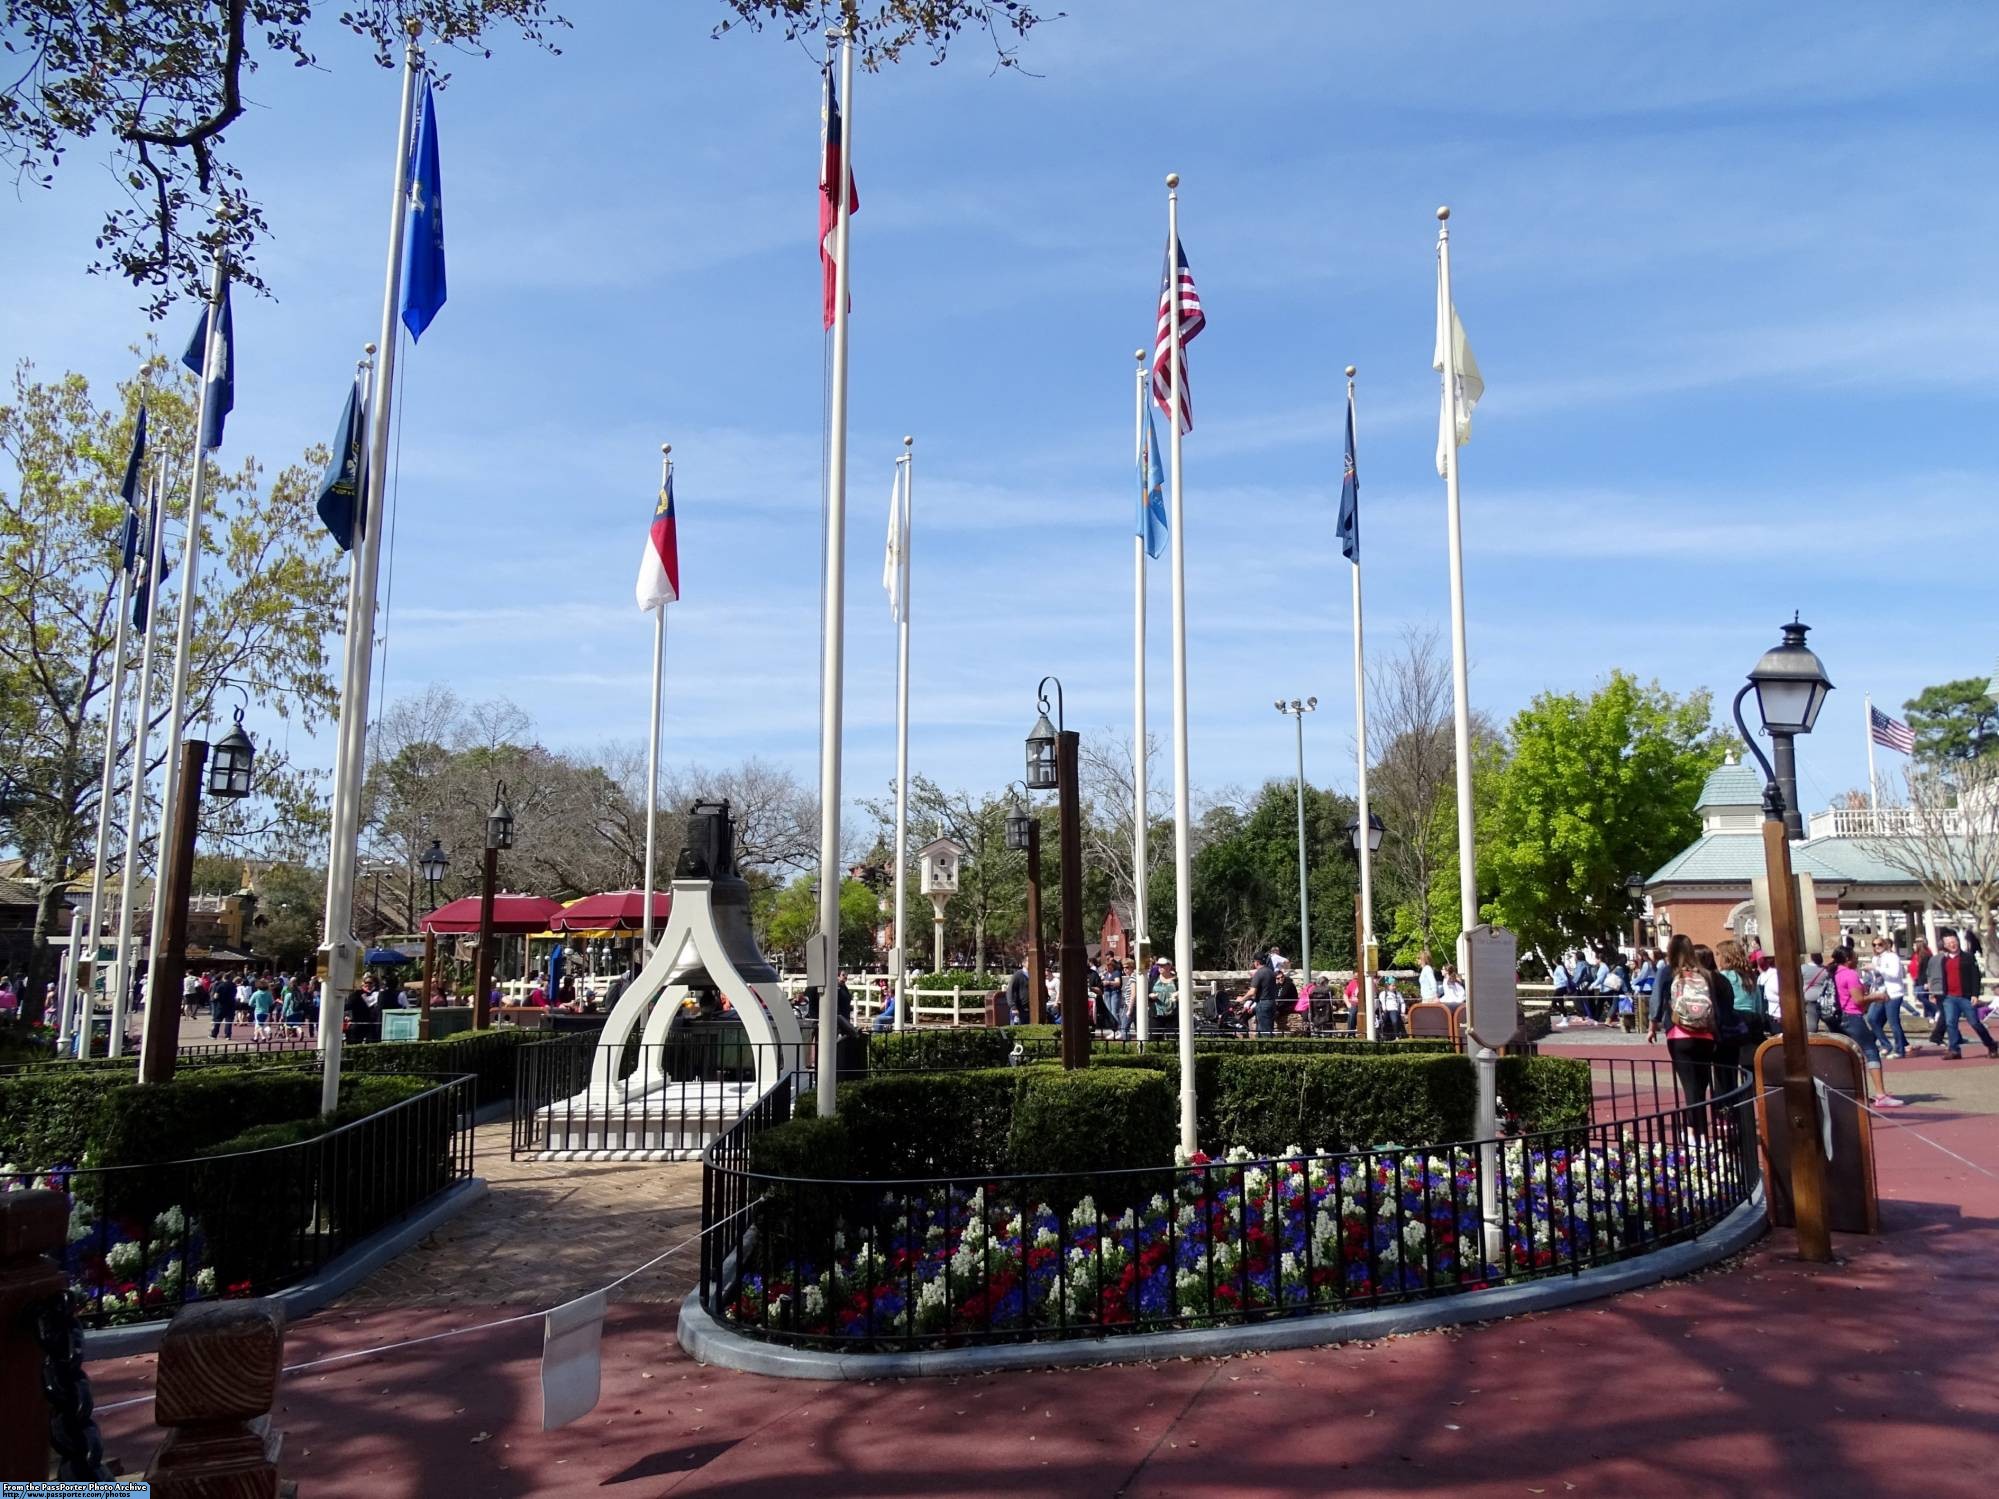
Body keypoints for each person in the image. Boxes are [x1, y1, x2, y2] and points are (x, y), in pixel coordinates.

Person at [1646, 935, 1724, 1120]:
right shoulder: (1705, 973)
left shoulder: (1667, 971)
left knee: (1689, 1085)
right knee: (1701, 1083)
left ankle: (1693, 1130)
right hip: (1705, 1034)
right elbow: (1715, 1005)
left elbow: (1656, 1000)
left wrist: (1652, 1025)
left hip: (1678, 1031)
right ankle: (1702, 1129)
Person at [1828, 945, 1903, 1106]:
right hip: (1852, 1016)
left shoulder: (1834, 973)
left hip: (1837, 1017)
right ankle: (1881, 1094)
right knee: (1870, 1051)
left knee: (1847, 1055)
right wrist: (1876, 996)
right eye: (1854, 956)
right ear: (1848, 959)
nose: (1857, 959)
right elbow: (1858, 1000)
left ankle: (1851, 1092)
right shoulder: (1850, 974)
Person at [1927, 932, 1996, 1060]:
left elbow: (1976, 977)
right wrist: (1934, 992)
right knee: (1950, 1023)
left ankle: (1991, 1045)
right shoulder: (1943, 960)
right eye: (1948, 943)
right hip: (1949, 997)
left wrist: (1975, 994)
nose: (1952, 945)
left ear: (1958, 942)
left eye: (1954, 942)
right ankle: (1954, 1050)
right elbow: (1937, 976)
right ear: (1945, 945)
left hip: (1965, 996)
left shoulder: (1968, 957)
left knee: (1974, 1023)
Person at [1867, 937, 1909, 1060]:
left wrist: (1876, 968)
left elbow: (1895, 974)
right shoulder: (1875, 958)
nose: (1877, 947)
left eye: (1879, 944)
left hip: (1893, 994)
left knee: (1893, 1023)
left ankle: (1900, 1050)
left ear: (1885, 945)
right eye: (1874, 945)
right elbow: (1876, 978)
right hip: (1879, 993)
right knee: (1872, 1019)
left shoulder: (1892, 957)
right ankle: (1886, 1044)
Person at [1908, 936, 1935, 1020]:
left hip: (1923, 980)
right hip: (1917, 979)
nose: (1913, 947)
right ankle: (1928, 1015)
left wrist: (1928, 981)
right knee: (1921, 996)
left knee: (1921, 996)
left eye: (1914, 945)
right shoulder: (1916, 955)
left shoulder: (1926, 956)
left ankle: (1934, 1010)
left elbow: (1928, 969)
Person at [208, 971, 238, 1040]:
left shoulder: (220, 985)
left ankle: (214, 1035)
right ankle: (228, 1035)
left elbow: (216, 996)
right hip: (231, 1004)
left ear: (224, 978)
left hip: (221, 1005)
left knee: (218, 1020)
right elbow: (235, 994)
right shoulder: (233, 985)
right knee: (229, 1021)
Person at [1376, 974, 1406, 1039]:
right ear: (1388, 986)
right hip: (1386, 1011)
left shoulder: (1398, 994)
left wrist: (1403, 1011)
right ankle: (1383, 1034)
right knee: (1383, 1021)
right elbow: (1383, 1002)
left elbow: (1402, 1002)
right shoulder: (1383, 993)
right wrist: (1384, 1008)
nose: (1394, 987)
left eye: (1395, 985)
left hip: (1394, 1010)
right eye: (1393, 985)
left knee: (1394, 1020)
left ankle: (1396, 1036)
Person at [1008, 959, 1032, 1025]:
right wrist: (1013, 1007)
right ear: (1023, 963)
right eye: (1029, 961)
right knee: (1017, 1029)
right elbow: (1010, 991)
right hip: (1019, 1009)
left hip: (1031, 1009)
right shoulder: (1017, 975)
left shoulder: (1033, 975)